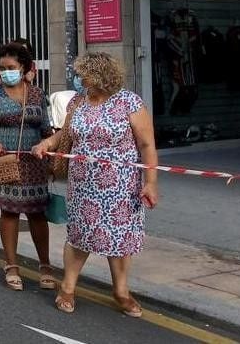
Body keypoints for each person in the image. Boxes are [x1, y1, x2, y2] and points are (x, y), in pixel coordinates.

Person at [32, 52, 159, 317]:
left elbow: (147, 145)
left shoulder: (129, 102)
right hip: (82, 184)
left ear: (99, 75)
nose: (78, 79)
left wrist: (151, 182)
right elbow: (65, 134)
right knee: (79, 236)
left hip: (121, 186)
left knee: (120, 238)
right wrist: (47, 143)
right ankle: (67, 288)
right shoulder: (78, 102)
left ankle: (121, 292)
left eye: (82, 74)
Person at [0, 42, 55, 292]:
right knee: (9, 212)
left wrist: (50, 155)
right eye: (2, 68)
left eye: (11, 67)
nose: (6, 72)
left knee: (37, 214)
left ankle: (45, 266)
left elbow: (46, 127)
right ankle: (11, 265)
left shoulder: (38, 94)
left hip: (34, 163)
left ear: (23, 67)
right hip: (5, 161)